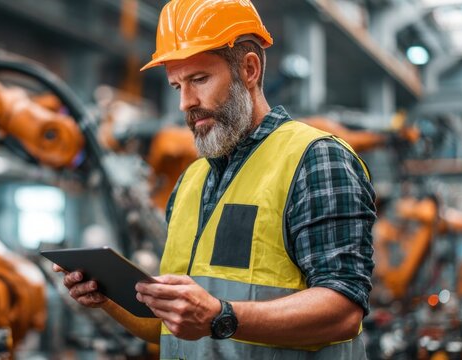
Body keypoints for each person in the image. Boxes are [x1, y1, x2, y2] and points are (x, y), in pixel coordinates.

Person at [53, 0, 376, 358]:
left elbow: (344, 311)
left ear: (249, 70)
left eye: (199, 79)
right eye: (178, 86)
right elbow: (171, 328)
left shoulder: (315, 159)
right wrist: (106, 298)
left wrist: (222, 317)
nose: (185, 103)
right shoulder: (191, 180)